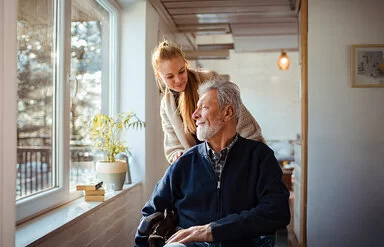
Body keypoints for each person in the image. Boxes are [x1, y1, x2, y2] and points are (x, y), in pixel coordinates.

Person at [135, 79, 290, 247]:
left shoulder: (260, 157)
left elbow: (277, 210)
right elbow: (150, 213)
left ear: (227, 113)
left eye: (204, 107)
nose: (194, 115)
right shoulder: (185, 163)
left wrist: (213, 230)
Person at [152, 40, 265, 163]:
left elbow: (240, 117)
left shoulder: (209, 79)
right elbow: (173, 145)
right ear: (159, 76)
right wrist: (177, 154)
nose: (178, 80)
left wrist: (256, 153)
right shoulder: (166, 105)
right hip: (202, 168)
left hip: (234, 158)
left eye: (181, 71)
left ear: (186, 65)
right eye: (170, 76)